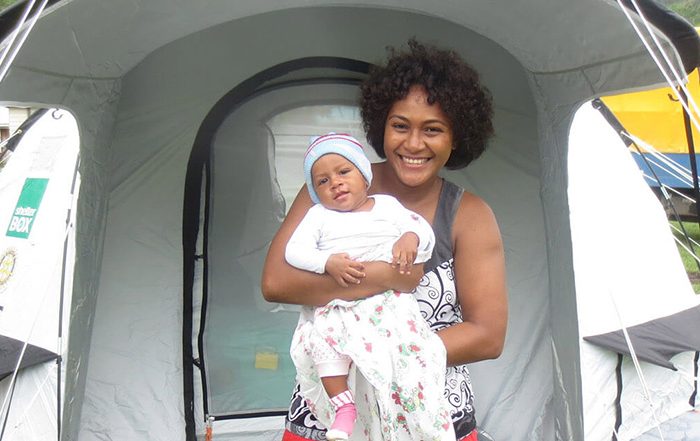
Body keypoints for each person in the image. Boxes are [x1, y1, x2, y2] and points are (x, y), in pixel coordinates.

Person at [262, 39, 507, 441]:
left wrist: (382, 354)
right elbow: (275, 283)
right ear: (380, 127)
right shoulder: (331, 186)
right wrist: (386, 277)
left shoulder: (469, 215)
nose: (413, 144)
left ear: (457, 137)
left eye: (433, 129)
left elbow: (487, 335)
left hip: (428, 413)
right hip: (331, 416)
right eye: (400, 126)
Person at [285, 132, 454, 441]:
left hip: (386, 303)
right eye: (322, 181)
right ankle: (344, 406)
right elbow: (293, 252)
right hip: (339, 302)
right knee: (322, 341)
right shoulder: (318, 216)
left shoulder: (387, 206)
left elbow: (422, 231)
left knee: (408, 357)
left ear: (364, 176)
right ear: (315, 192)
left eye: (343, 172)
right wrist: (327, 263)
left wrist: (410, 238)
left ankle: (414, 418)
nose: (334, 183)